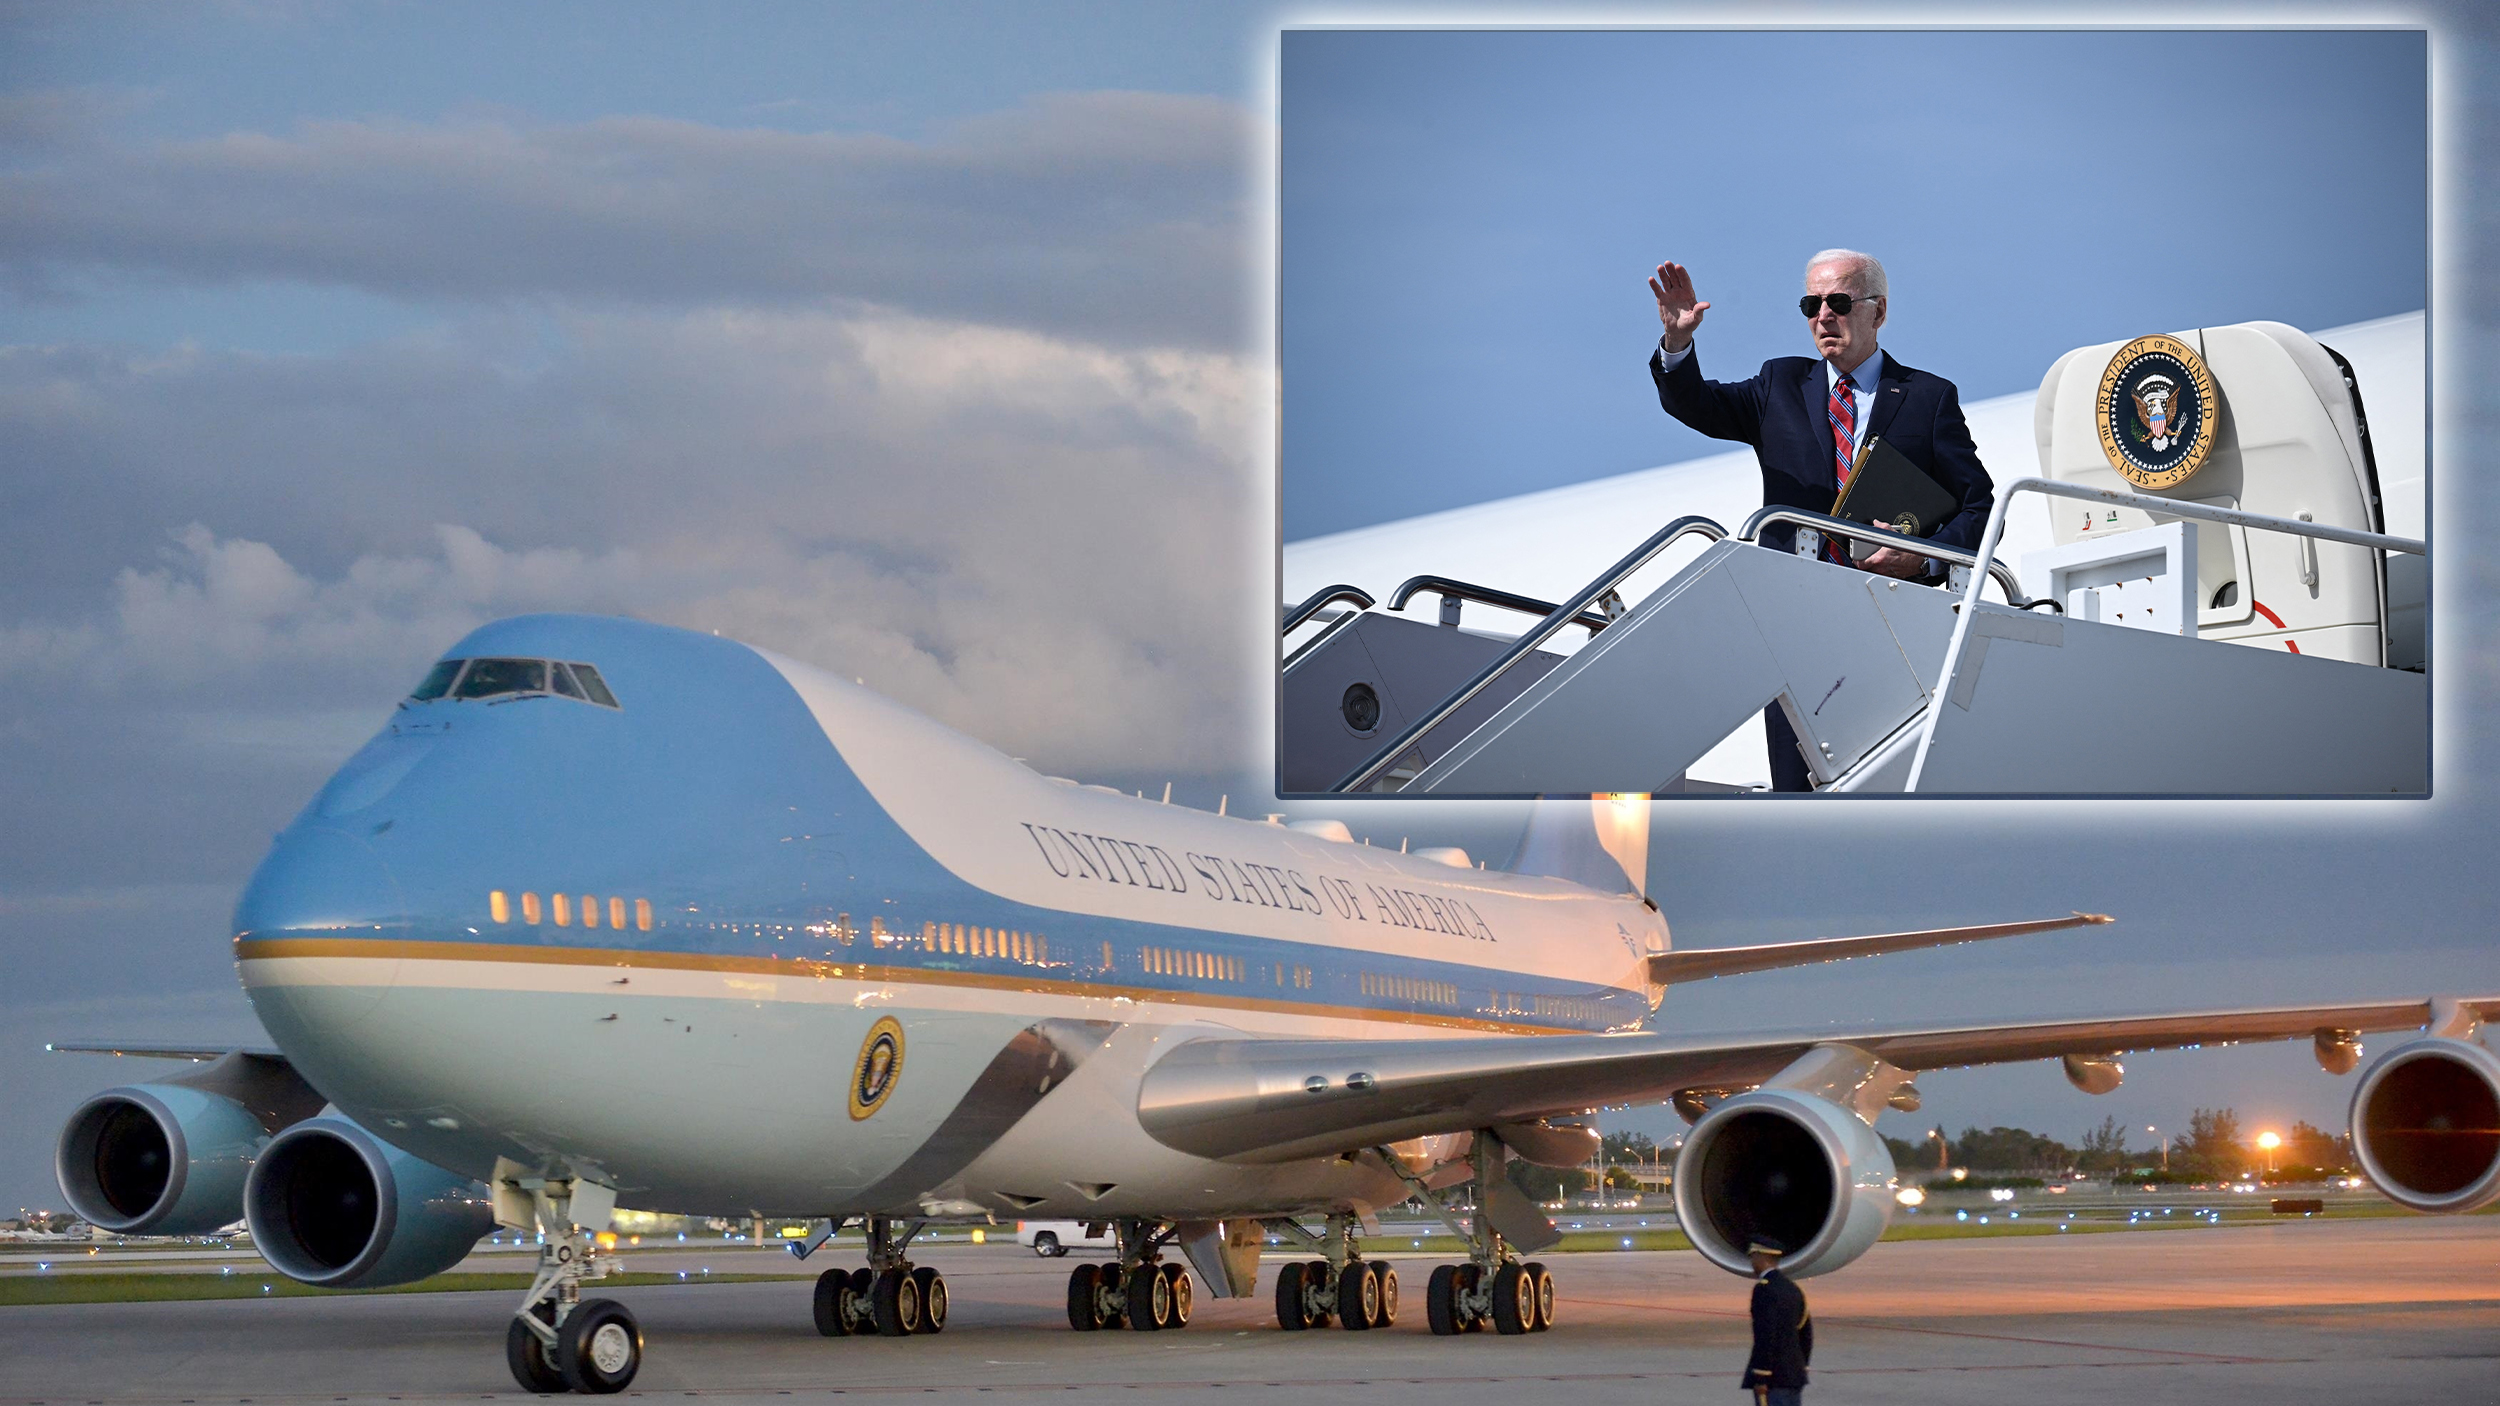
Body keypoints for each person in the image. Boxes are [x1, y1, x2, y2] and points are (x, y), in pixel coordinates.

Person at [1646, 249, 1994, 792]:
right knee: (1793, 798)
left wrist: (1924, 556)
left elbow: (1978, 505)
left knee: (1889, 799)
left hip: (1890, 626)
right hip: (1795, 626)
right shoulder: (1779, 384)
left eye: (1838, 302)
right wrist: (1677, 342)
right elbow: (1696, 404)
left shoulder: (1928, 399)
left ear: (1877, 312)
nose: (1822, 316)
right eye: (1812, 303)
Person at [1741, 1235, 1812, 1406]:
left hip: (1773, 1378)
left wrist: (1761, 1375)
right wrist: (1801, 1366)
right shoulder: (1793, 1288)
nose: (1752, 1263)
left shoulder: (1764, 1290)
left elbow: (1765, 1335)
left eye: (1753, 1257)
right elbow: (1805, 1332)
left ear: (1761, 1257)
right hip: (1793, 1375)